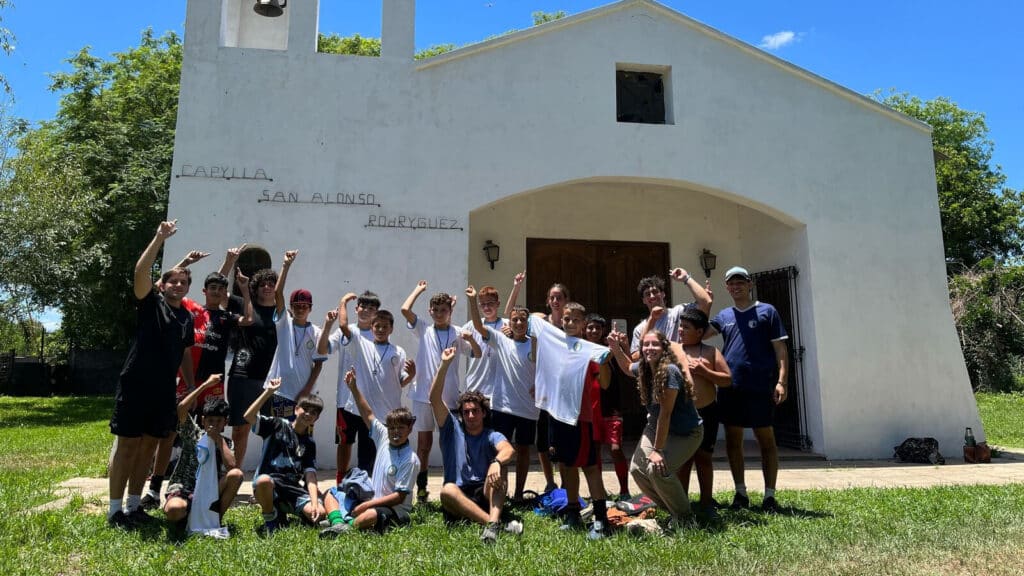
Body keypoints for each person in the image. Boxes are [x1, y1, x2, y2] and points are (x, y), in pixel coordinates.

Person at [107, 220, 196, 528]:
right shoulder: (150, 303)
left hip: (163, 390)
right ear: (163, 285)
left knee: (148, 447)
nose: (178, 285)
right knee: (128, 446)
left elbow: (185, 352)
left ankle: (134, 506)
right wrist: (159, 237)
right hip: (136, 384)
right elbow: (140, 272)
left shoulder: (186, 317)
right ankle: (114, 511)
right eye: (173, 281)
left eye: (183, 282)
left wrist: (191, 385)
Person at [704, 266, 789, 512]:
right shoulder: (724, 316)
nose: (736, 286)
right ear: (727, 287)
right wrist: (706, 304)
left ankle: (769, 496)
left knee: (766, 440)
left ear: (750, 284)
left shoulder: (767, 311)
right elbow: (701, 334)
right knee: (733, 440)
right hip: (731, 387)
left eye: (740, 282)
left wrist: (782, 381)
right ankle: (740, 493)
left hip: (761, 386)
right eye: (732, 283)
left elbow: (780, 350)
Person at [532, 302, 611, 539]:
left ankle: (601, 520)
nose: (570, 323)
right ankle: (573, 513)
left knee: (589, 467)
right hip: (556, 415)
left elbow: (605, 383)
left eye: (576, 320)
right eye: (566, 319)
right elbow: (532, 319)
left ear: (584, 324)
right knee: (565, 465)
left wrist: (605, 361)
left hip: (580, 417)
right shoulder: (554, 340)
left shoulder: (589, 348)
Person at [609, 330, 703, 528]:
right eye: (646, 344)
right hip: (655, 425)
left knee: (657, 469)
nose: (649, 348)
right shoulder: (644, 367)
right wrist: (616, 348)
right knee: (637, 470)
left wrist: (657, 450)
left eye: (655, 344)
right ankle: (673, 510)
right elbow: (627, 367)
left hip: (686, 432)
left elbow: (665, 414)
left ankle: (686, 519)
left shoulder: (669, 372)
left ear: (664, 348)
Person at [401, 280, 480, 503]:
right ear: (430, 311)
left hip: (450, 399)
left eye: (443, 310)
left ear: (450, 311)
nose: (438, 313)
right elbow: (405, 309)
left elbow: (477, 354)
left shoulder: (458, 332)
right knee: (424, 445)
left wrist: (471, 339)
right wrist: (418, 289)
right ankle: (422, 489)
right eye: (435, 310)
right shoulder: (424, 328)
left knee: (449, 445)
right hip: (423, 397)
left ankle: (451, 486)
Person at [432, 347, 521, 544]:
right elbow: (434, 399)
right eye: (466, 412)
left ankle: (492, 524)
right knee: (447, 490)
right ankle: (494, 524)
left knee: (502, 469)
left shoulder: (491, 434)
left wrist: (496, 462)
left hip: (485, 493)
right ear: (461, 414)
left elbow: (508, 450)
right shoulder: (451, 428)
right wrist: (444, 365)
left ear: (483, 413)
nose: (470, 415)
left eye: (475, 411)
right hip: (459, 494)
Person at [319, 298, 415, 476]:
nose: (381, 330)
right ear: (371, 328)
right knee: (353, 447)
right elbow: (343, 326)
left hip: (385, 412)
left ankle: (381, 483)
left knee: (378, 453)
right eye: (377, 326)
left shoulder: (398, 351)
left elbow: (400, 381)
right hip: (361, 410)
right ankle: (349, 482)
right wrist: (343, 302)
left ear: (391, 329)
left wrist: (411, 375)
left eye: (385, 327)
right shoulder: (361, 344)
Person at [319, 368, 420, 537]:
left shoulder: (410, 459)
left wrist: (367, 505)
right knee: (331, 493)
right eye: (392, 428)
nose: (395, 432)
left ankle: (347, 525)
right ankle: (338, 524)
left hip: (394, 510)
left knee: (371, 515)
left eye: (401, 428)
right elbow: (368, 413)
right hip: (371, 499)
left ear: (410, 429)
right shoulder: (384, 437)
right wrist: (353, 388)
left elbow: (399, 497)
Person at [466, 286, 538, 502]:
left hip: (528, 409)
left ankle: (519, 494)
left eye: (522, 320)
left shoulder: (535, 344)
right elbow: (478, 326)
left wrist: (539, 385)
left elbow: (545, 369)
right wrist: (472, 300)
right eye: (514, 320)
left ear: (528, 323)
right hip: (503, 408)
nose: (518, 323)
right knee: (502, 452)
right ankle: (501, 494)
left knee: (523, 451)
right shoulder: (500, 339)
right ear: (510, 323)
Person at [226, 250, 292, 467]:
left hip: (272, 380)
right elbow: (219, 290)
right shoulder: (243, 304)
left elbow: (280, 292)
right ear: (256, 287)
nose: (267, 286)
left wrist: (286, 265)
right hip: (242, 377)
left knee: (272, 429)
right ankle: (235, 473)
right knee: (240, 428)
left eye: (271, 283)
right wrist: (229, 262)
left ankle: (268, 475)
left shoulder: (282, 313)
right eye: (262, 284)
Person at [162, 376, 244, 533]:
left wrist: (218, 440)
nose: (214, 425)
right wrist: (205, 385)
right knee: (174, 510)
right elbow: (181, 409)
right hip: (185, 489)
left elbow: (232, 466)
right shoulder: (193, 434)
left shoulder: (226, 443)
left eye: (219, 421)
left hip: (209, 492)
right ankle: (185, 518)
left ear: (225, 423)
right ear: (203, 420)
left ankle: (214, 520)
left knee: (237, 475)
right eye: (210, 420)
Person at [245, 378, 325, 535]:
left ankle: (283, 511)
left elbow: (310, 476)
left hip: (292, 489)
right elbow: (248, 416)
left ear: (317, 418)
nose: (308, 414)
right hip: (270, 485)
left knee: (320, 513)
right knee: (263, 481)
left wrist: (315, 503)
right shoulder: (277, 425)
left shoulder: (309, 443)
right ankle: (271, 518)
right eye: (305, 409)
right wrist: (268, 392)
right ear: (296, 409)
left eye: (314, 412)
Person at [675, 308, 732, 518]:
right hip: (682, 413)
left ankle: (707, 503)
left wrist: (705, 372)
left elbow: (727, 380)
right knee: (683, 461)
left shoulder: (711, 352)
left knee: (704, 458)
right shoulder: (673, 350)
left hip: (707, 412)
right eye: (680, 326)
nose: (681, 330)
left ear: (699, 332)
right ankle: (681, 506)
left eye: (686, 327)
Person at [317, 291, 376, 482]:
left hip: (369, 402)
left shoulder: (379, 333)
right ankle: (340, 480)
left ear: (376, 313)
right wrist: (327, 325)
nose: (366, 311)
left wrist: (342, 301)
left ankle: (365, 482)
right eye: (363, 306)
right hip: (344, 399)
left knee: (368, 444)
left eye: (371, 308)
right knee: (344, 442)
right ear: (356, 308)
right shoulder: (346, 331)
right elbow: (323, 349)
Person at [264, 251, 326, 420]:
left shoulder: (316, 332)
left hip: (305, 398)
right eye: (296, 306)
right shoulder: (284, 323)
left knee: (302, 435)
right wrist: (286, 265)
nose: (300, 309)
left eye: (304, 306)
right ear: (291, 307)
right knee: (279, 433)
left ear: (310, 308)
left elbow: (318, 365)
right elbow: (278, 294)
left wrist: (306, 390)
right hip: (281, 393)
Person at [584, 313, 631, 501]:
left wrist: (621, 346)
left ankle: (625, 491)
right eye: (590, 327)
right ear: (584, 330)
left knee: (615, 448)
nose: (594, 331)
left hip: (611, 408)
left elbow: (628, 366)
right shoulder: (581, 350)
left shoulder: (611, 350)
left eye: (597, 327)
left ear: (603, 330)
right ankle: (599, 492)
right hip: (591, 409)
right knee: (594, 451)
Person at [630, 268, 712, 359]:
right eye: (647, 294)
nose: (652, 296)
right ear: (644, 300)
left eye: (655, 292)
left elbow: (706, 302)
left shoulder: (679, 312)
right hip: (657, 368)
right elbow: (635, 357)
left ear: (663, 294)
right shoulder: (640, 329)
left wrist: (686, 278)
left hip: (683, 365)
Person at [462, 285, 506, 398]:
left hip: (499, 391)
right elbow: (454, 335)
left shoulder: (507, 325)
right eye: (483, 304)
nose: (486, 307)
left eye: (490, 303)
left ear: (498, 304)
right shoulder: (471, 325)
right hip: (474, 387)